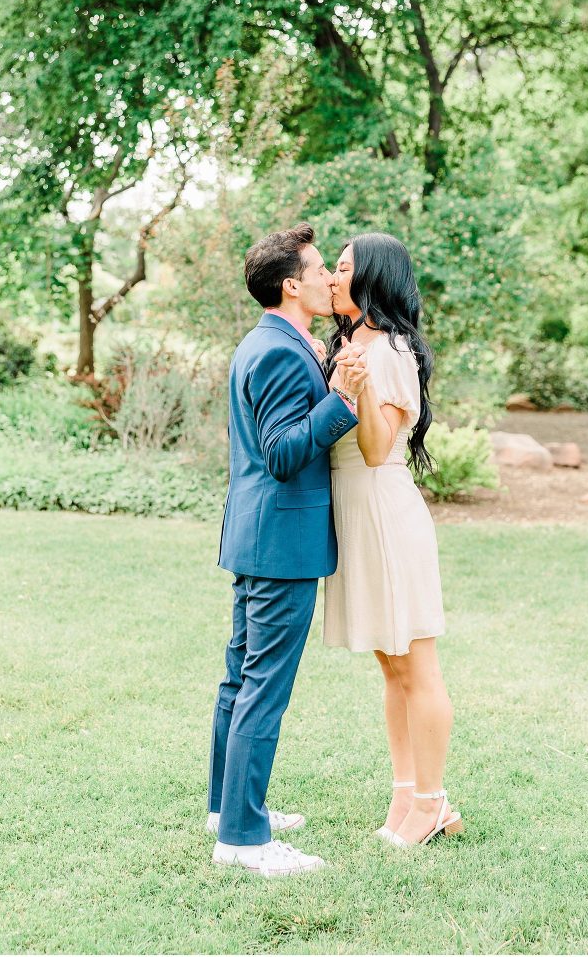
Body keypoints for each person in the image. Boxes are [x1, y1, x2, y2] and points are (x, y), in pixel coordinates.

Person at [208, 223, 361, 879]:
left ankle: (227, 807)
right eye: (322, 268)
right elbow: (282, 453)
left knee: (240, 679)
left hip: (258, 535)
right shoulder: (276, 351)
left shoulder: (279, 341)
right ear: (291, 284)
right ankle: (244, 837)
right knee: (261, 687)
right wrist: (342, 399)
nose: (331, 277)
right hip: (280, 542)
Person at [324, 233, 463, 847]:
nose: (331, 274)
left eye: (344, 266)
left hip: (384, 511)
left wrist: (354, 389)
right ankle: (408, 792)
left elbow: (379, 450)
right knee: (389, 664)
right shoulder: (349, 345)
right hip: (354, 514)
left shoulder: (391, 352)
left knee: (417, 665)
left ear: (372, 278)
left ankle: (432, 802)